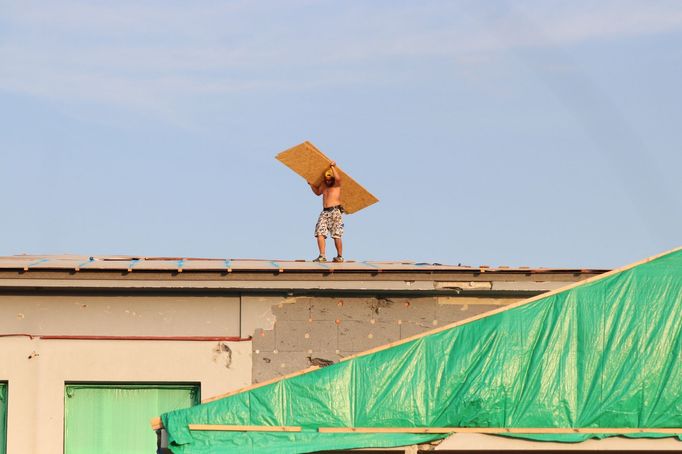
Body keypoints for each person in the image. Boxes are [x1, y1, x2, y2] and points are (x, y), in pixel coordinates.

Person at [309, 161, 344, 262]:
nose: (328, 181)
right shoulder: (324, 185)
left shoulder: (336, 184)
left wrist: (333, 167)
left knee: (336, 234)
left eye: (329, 179)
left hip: (335, 211)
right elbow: (318, 192)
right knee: (319, 232)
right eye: (326, 179)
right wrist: (311, 184)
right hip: (324, 212)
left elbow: (338, 178)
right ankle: (322, 256)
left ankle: (339, 256)